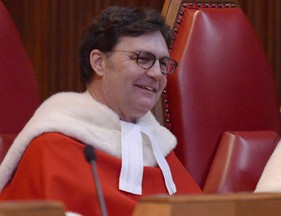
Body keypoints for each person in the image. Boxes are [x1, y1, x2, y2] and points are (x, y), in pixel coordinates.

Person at [0, 6, 201, 216]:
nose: (156, 74)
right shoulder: (51, 148)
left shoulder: (159, 148)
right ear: (99, 62)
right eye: (143, 58)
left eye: (162, 63)